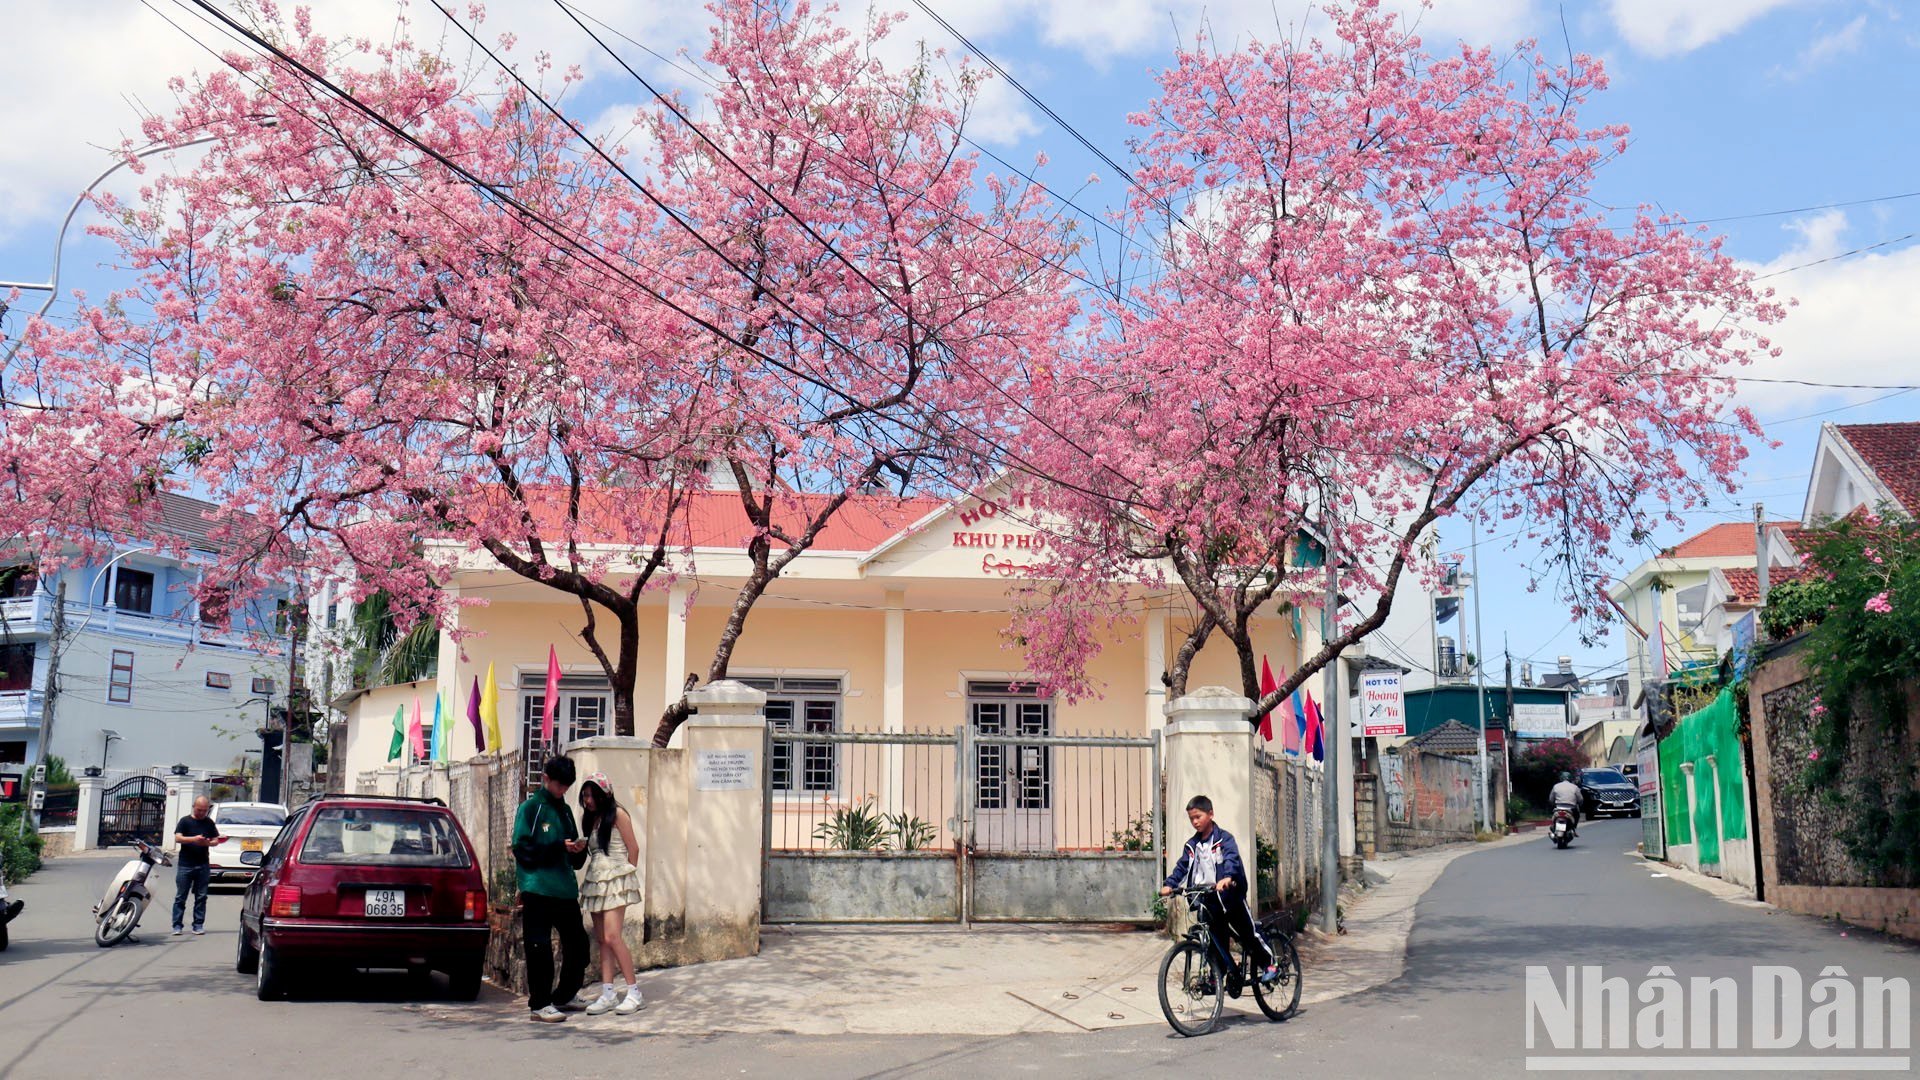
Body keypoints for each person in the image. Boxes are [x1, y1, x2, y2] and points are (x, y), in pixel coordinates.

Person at [1159, 795, 1278, 988]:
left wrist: (1228, 877)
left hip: (1229, 896)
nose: (1195, 822)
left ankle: (1269, 963)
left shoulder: (1224, 839)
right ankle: (1220, 971)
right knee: (1216, 940)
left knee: (1248, 933)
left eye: (1198, 816)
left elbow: (1231, 859)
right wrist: (1170, 884)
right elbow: (1182, 867)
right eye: (1191, 819)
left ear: (1211, 814)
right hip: (1208, 899)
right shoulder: (1192, 845)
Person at [514, 754, 591, 1023]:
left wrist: (578, 850)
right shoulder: (531, 809)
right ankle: (540, 1003)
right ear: (546, 779)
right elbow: (522, 849)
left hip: (564, 889)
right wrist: (558, 847)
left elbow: (574, 858)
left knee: (579, 945)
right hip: (537, 887)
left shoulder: (565, 810)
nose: (563, 791)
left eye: (566, 787)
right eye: (559, 786)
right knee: (539, 947)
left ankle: (564, 995)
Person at [576, 772, 645, 1016]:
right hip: (596, 880)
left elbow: (633, 848)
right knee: (603, 938)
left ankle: (634, 991)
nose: (588, 800)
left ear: (604, 794)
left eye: (592, 795)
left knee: (614, 936)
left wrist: (625, 877)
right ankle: (608, 993)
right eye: (585, 795)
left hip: (614, 879)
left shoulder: (618, 814)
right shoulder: (591, 820)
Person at [171, 795, 225, 936]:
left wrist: (207, 843)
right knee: (180, 897)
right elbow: (178, 837)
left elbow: (215, 840)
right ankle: (177, 925)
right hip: (185, 865)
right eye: (199, 810)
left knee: (201, 897)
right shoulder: (185, 821)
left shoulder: (209, 823)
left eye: (204, 810)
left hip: (203, 864)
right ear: (194, 807)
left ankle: (198, 924)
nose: (201, 813)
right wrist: (193, 839)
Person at [1549, 771, 1584, 836]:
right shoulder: (1574, 787)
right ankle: (1573, 829)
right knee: (1577, 815)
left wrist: (1553, 804)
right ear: (1570, 779)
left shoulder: (1556, 786)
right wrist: (1580, 804)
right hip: (1571, 808)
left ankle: (1554, 827)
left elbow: (1551, 799)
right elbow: (1580, 799)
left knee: (1553, 816)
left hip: (1558, 807)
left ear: (1561, 778)